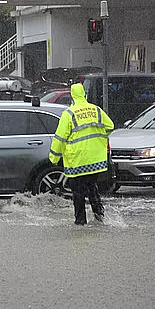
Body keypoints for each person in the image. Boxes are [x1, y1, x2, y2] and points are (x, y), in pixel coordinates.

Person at [49, 82, 115, 225]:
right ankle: (100, 218)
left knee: (78, 193)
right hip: (95, 161)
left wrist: (54, 157)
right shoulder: (96, 110)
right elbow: (110, 126)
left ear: (72, 96)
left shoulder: (69, 113)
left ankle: (81, 222)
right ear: (84, 94)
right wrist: (98, 139)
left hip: (77, 161)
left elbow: (60, 137)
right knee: (92, 188)